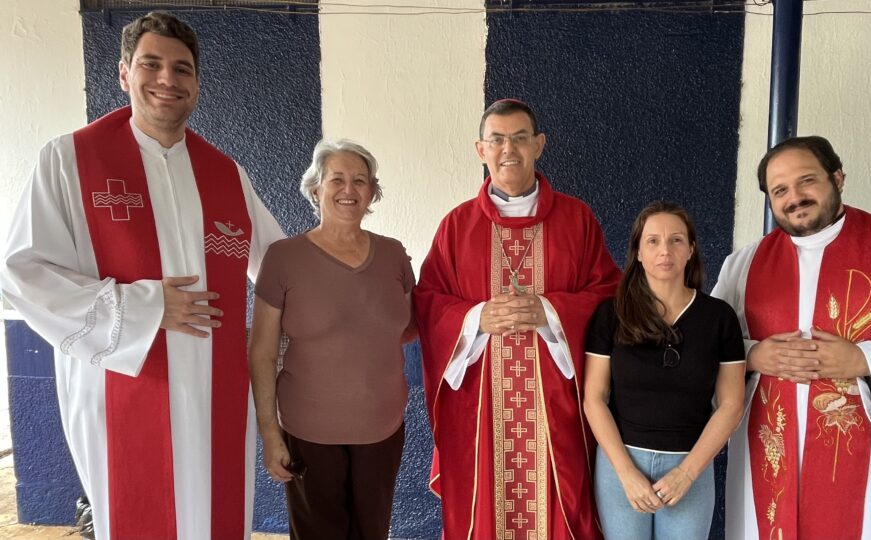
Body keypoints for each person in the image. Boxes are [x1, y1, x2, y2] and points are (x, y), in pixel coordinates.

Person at [0, 12, 284, 539]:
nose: (167, 80)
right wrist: (144, 307)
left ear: (197, 82)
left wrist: (361, 283)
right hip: (125, 387)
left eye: (182, 68)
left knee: (216, 517)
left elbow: (281, 266)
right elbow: (22, 272)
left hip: (216, 391)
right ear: (124, 72)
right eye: (151, 64)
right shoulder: (69, 160)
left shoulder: (226, 174)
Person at [711, 135, 871, 539]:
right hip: (770, 457)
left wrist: (866, 361)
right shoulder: (743, 264)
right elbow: (707, 345)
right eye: (780, 190)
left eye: (807, 180)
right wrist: (754, 357)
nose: (795, 197)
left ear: (838, 177)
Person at [414, 99, 621, 539]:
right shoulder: (456, 225)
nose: (509, 149)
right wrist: (475, 319)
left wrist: (549, 312)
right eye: (497, 139)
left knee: (561, 507)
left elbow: (608, 294)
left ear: (539, 145)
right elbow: (427, 301)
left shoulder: (577, 219)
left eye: (520, 138)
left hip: (557, 406)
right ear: (480, 149)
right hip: (479, 407)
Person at [249, 139, 415, 539]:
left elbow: (407, 326)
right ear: (316, 188)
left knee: (372, 533)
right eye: (337, 179)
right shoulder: (284, 258)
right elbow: (262, 352)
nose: (349, 189)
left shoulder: (394, 256)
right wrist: (271, 435)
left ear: (373, 192)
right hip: (309, 433)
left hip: (383, 430)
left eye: (360, 180)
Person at [583, 202, 745, 539]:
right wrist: (626, 473)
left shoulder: (719, 318)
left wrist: (687, 473)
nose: (665, 250)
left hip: (691, 465)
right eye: (653, 241)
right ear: (638, 252)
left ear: (691, 250)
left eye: (676, 240)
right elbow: (594, 399)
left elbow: (731, 405)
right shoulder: (611, 314)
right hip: (621, 463)